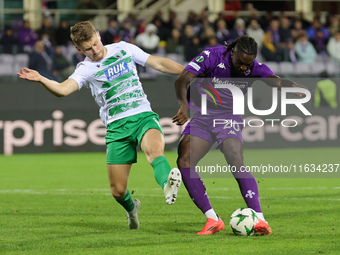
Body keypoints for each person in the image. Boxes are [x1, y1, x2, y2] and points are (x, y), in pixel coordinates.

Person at [17, 21, 184, 230]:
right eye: (88, 48)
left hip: (142, 115)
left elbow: (158, 63)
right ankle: (132, 209)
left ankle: (167, 185)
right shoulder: (85, 69)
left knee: (154, 151)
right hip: (116, 128)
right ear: (79, 49)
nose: (94, 50)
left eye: (95, 43)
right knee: (118, 191)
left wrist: (188, 72)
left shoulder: (124, 48)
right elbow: (62, 90)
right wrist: (41, 78)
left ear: (98, 35)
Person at [172, 35, 308, 235]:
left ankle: (260, 219)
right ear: (232, 52)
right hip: (202, 117)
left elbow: (275, 81)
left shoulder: (255, 67)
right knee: (185, 160)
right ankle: (212, 219)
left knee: (235, 158)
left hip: (229, 116)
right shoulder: (212, 56)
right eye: (240, 63)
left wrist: (293, 87)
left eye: (248, 64)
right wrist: (183, 105)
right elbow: (182, 80)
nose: (245, 68)